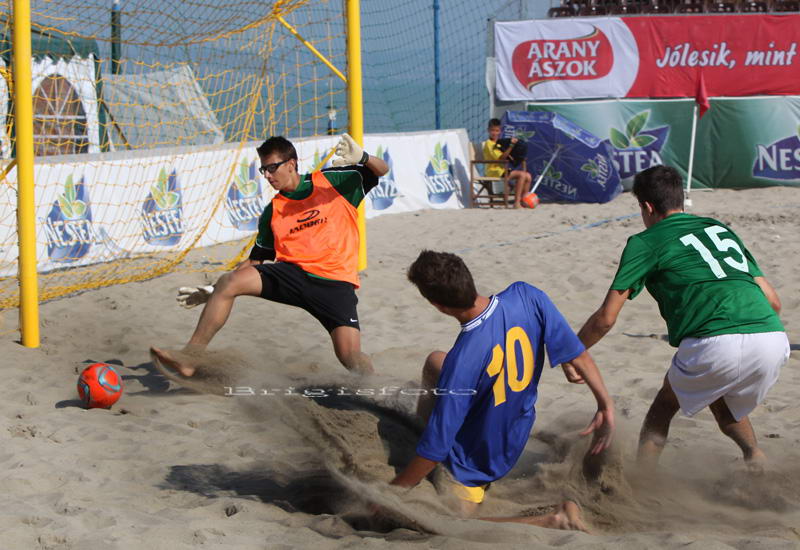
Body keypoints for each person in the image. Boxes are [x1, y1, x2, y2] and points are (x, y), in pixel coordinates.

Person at [573, 165, 789, 472]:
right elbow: (774, 301)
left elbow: (606, 318)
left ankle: (643, 481)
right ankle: (755, 458)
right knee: (721, 397)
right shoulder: (718, 229)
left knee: (663, 406)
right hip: (772, 338)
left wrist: (573, 352)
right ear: (680, 198)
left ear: (647, 207)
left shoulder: (646, 241)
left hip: (715, 341)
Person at [389, 250, 615, 530]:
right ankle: (422, 430)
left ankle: (555, 519)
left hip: (477, 461)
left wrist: (391, 493)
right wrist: (605, 404)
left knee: (448, 523)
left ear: (439, 306)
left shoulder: (464, 360)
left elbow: (435, 450)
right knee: (436, 361)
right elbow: (579, 354)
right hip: (517, 432)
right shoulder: (526, 295)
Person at [151, 134, 389, 377]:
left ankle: (374, 385)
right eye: (263, 169)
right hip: (293, 276)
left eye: (272, 167)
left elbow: (382, 170)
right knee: (229, 282)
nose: (267, 175)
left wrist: (363, 157)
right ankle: (190, 358)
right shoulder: (273, 211)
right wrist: (215, 290)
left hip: (335, 284)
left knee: (350, 357)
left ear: (291, 164)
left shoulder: (332, 181)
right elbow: (255, 260)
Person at [483, 118, 532, 209]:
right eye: (492, 130)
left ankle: (523, 200)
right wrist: (511, 146)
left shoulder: (500, 143)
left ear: (500, 131)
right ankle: (516, 202)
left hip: (502, 169)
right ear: (488, 130)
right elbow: (501, 158)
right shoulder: (489, 144)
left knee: (528, 176)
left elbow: (509, 157)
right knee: (522, 175)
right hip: (494, 171)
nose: (494, 133)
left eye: (497, 130)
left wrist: (519, 156)